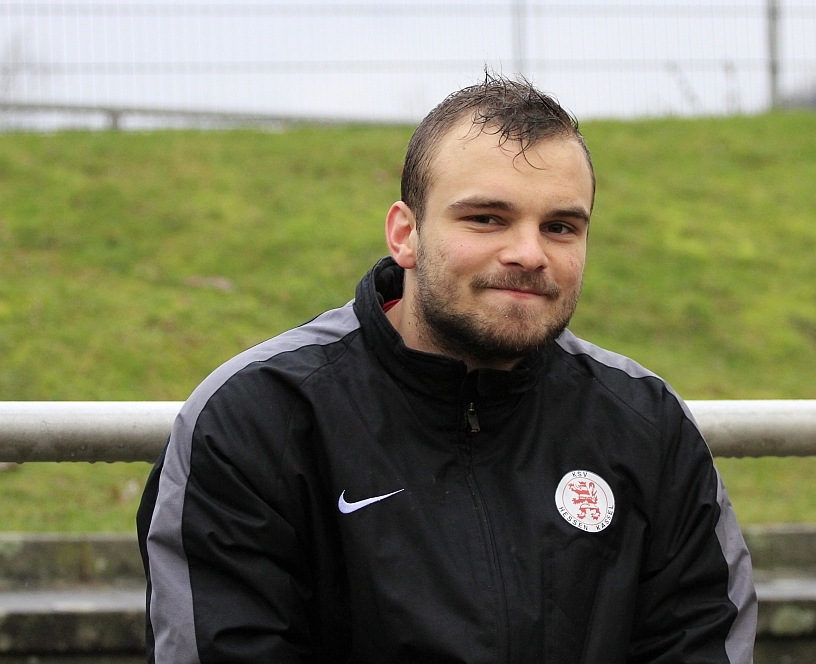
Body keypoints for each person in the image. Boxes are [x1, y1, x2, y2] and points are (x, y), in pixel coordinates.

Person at [137, 73, 756, 664]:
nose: (529, 253)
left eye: (561, 227)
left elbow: (701, 638)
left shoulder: (646, 426)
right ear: (404, 234)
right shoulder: (256, 421)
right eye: (486, 218)